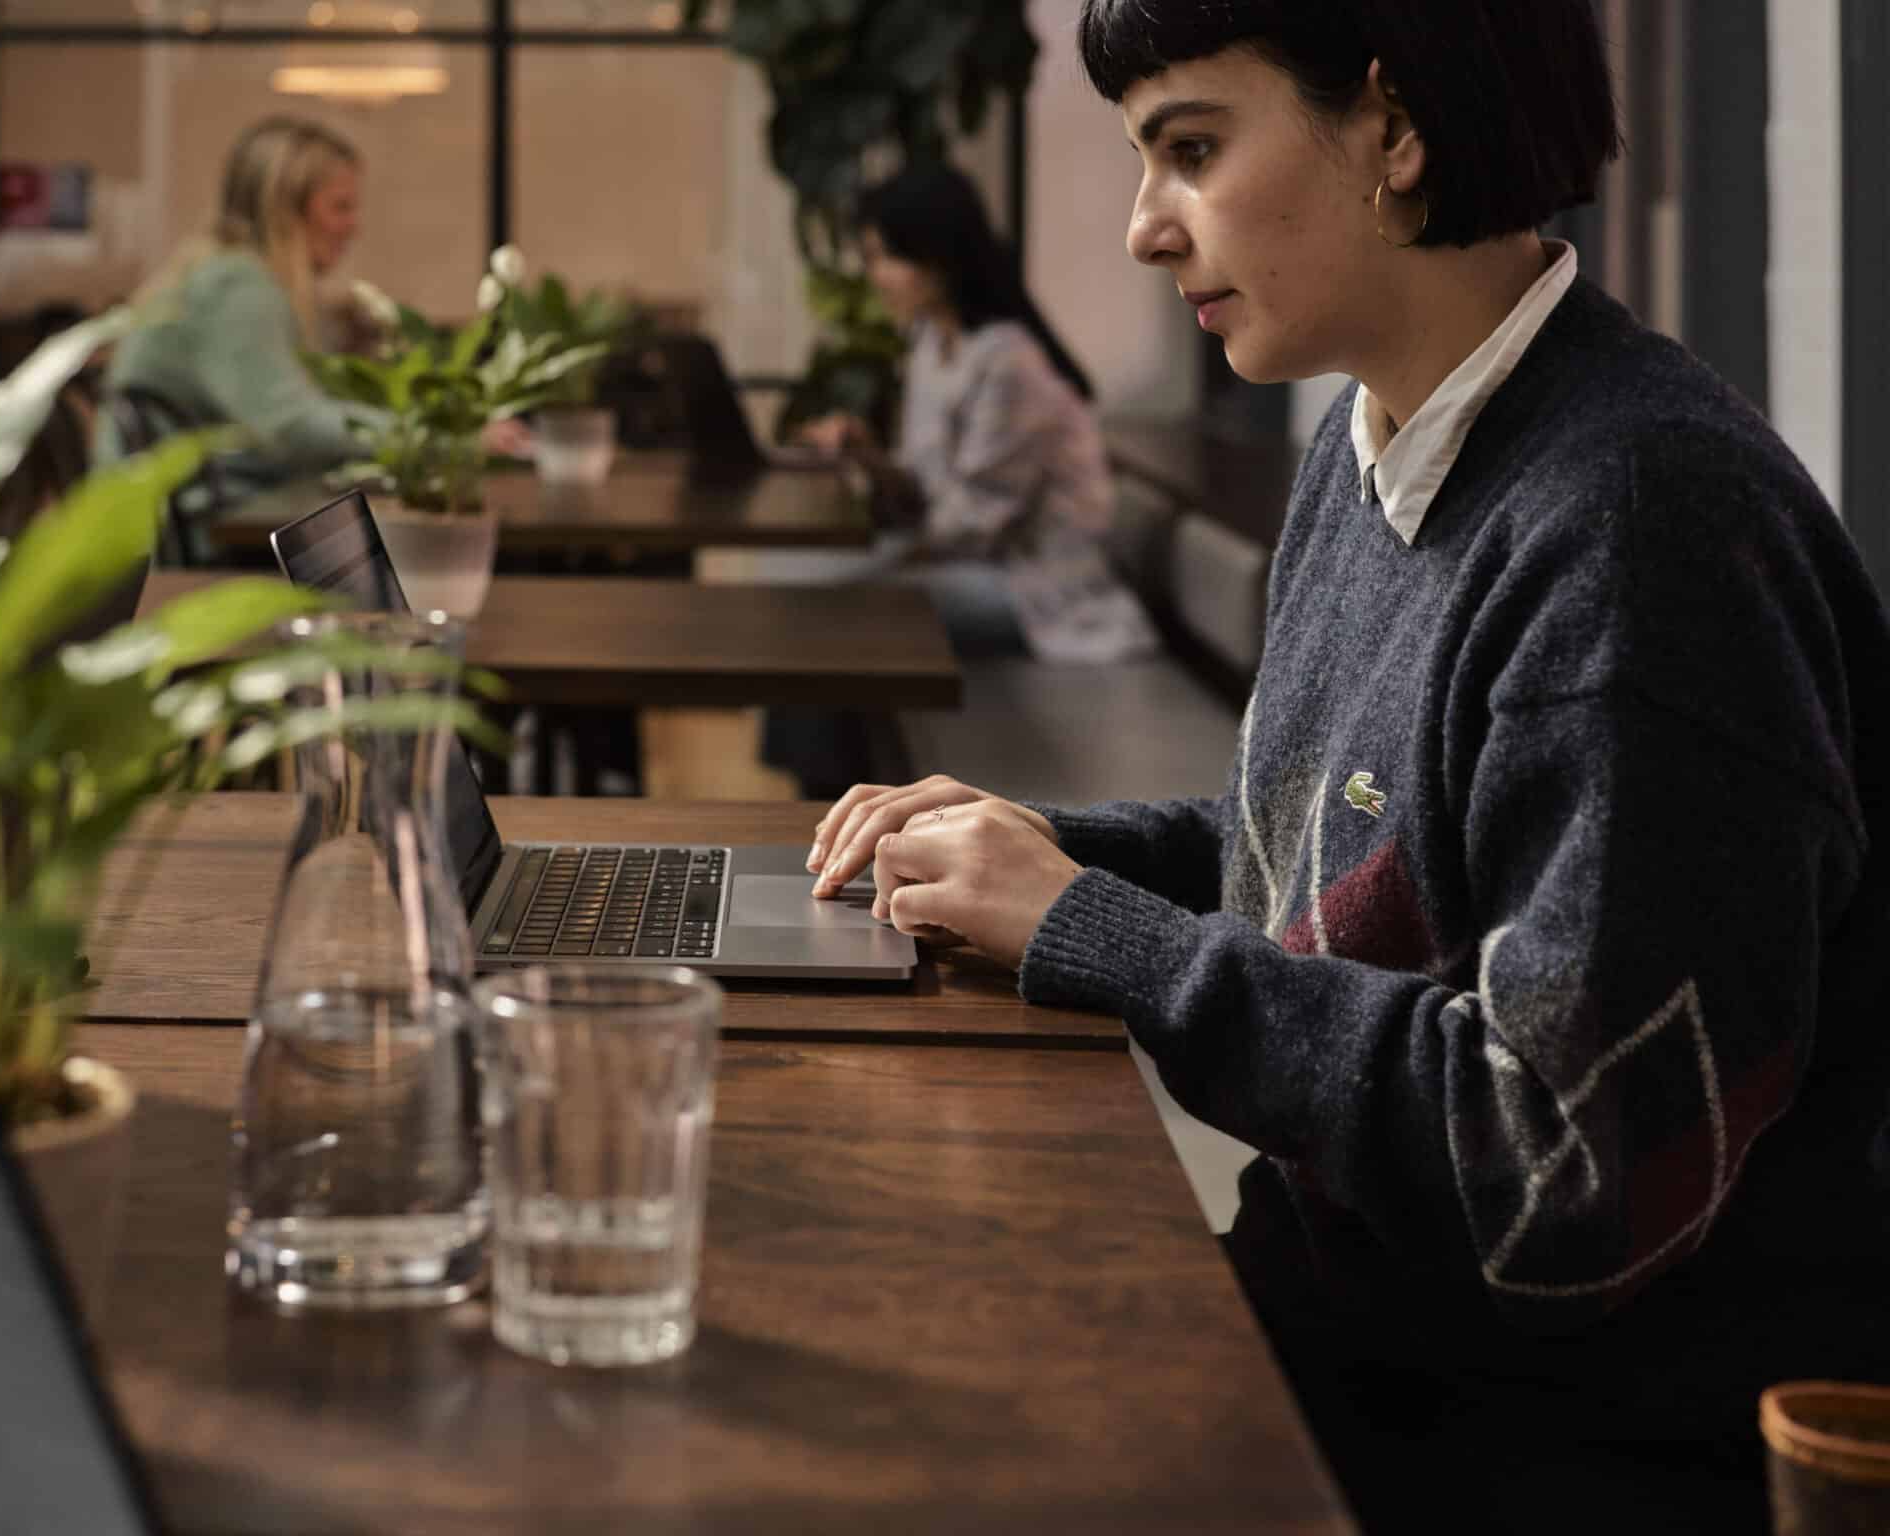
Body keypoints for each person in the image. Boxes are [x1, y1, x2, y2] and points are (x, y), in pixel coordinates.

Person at [805, 3, 1890, 1531]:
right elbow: (1341, 853)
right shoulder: (1383, 440)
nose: (1140, 232)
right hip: (1356, 1334)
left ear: (1393, 128)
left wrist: (1093, 933)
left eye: (1191, 149)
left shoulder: (1640, 530)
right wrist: (1042, 852)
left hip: (1535, 1442)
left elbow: (1557, 1180)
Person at [794, 162, 1158, 666]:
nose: (875, 277)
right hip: (978, 569)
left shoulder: (1007, 362)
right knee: (812, 596)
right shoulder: (931, 344)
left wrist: (878, 546)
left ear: (937, 257)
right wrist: (870, 458)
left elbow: (970, 525)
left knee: (829, 611)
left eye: (886, 258)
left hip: (1036, 594)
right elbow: (931, 491)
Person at [99, 116, 519, 500]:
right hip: (181, 533)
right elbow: (292, 427)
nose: (354, 225)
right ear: (284, 208)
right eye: (340, 206)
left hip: (201, 503)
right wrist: (443, 440)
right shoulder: (238, 288)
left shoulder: (226, 272)